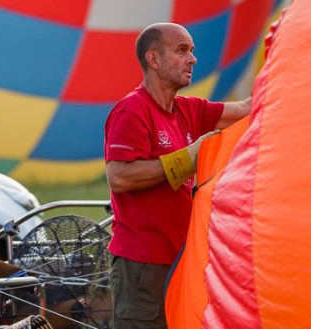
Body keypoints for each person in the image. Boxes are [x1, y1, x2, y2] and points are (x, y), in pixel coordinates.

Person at [104, 22, 251, 329]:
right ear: (153, 59)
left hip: (180, 258)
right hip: (143, 264)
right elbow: (119, 176)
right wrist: (187, 159)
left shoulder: (187, 109)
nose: (193, 59)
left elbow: (246, 110)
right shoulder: (132, 111)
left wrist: (281, 73)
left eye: (192, 51)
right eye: (182, 50)